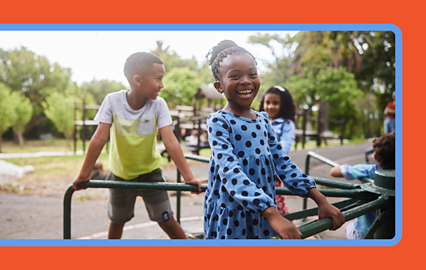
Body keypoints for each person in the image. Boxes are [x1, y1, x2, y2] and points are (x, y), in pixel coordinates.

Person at [203, 40, 345, 239]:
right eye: (235, 76)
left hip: (263, 214)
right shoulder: (219, 121)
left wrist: (320, 199)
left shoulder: (262, 119)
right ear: (219, 86)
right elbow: (229, 171)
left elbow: (282, 162)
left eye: (252, 74)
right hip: (233, 216)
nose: (246, 81)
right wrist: (272, 213)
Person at [72, 52, 202, 239]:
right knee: (117, 221)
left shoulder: (158, 105)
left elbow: (170, 140)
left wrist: (188, 177)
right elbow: (99, 138)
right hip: (120, 174)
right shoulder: (112, 101)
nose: (162, 85)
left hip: (151, 173)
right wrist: (84, 174)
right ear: (138, 80)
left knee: (166, 219)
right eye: (158, 79)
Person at [330, 132, 395, 239]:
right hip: (395, 235)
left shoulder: (368, 170)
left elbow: (333, 172)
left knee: (349, 226)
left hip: (365, 234)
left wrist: (347, 166)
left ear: (375, 156)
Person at [258, 85, 296, 215]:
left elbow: (284, 148)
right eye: (267, 102)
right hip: (256, 171)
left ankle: (286, 231)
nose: (270, 106)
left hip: (274, 172)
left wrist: (266, 156)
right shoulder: (258, 120)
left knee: (276, 204)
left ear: (283, 105)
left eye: (275, 103)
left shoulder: (286, 124)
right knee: (258, 204)